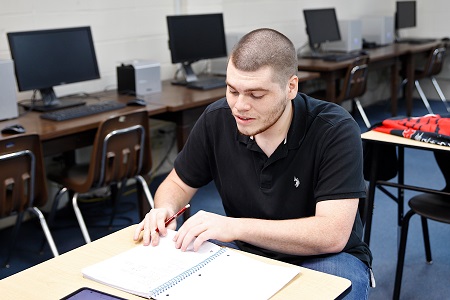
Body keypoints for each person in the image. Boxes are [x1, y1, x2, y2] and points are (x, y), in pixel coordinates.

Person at [134, 28, 373, 299]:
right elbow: (177, 182)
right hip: (246, 249)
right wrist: (165, 209)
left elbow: (331, 234)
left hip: (325, 256)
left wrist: (235, 227)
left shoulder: (334, 129)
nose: (240, 106)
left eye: (256, 95)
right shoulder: (217, 119)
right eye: (232, 90)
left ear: (290, 87)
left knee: (336, 289)